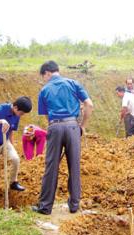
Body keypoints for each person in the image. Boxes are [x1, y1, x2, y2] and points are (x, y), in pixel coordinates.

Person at [32, 60, 94, 215]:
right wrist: (82, 125)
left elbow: (46, 115)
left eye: (43, 76)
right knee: (74, 165)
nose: (44, 79)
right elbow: (89, 104)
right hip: (73, 126)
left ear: (47, 72)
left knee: (51, 166)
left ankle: (45, 207)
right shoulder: (73, 83)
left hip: (55, 126)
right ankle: (74, 205)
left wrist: (54, 125)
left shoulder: (44, 89)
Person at [0, 96, 33, 204]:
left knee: (15, 159)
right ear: (15, 107)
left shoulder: (16, 115)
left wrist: (11, 147)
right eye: (21, 113)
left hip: (5, 143)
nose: (21, 116)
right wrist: (1, 121)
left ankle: (13, 182)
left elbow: (11, 132)